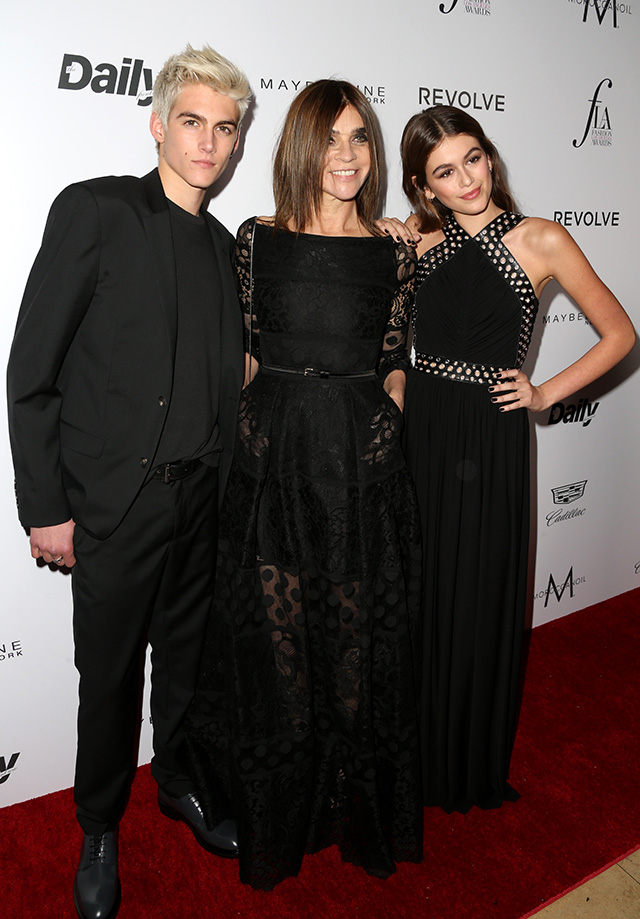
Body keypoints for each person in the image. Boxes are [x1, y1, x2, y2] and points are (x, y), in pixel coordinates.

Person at [6, 45, 251, 919]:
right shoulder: (98, 210)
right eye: (192, 121)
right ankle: (98, 826)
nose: (208, 142)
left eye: (225, 128)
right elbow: (31, 368)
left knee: (183, 668)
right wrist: (46, 507)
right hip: (117, 504)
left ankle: (178, 780)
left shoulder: (226, 250)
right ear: (157, 124)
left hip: (201, 502)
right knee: (107, 679)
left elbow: (223, 375)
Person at [185, 80, 424, 890]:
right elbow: (247, 353)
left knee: (353, 647)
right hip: (273, 467)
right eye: (330, 138)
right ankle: (280, 814)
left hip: (361, 472)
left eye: (360, 137)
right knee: (277, 649)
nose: (348, 155)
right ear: (299, 148)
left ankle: (346, 809)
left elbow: (394, 358)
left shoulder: (394, 249)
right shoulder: (255, 240)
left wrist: (390, 418)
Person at [400, 105, 635, 814]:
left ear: (490, 157)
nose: (466, 178)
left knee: (476, 588)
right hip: (423, 428)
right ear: (424, 186)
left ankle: (465, 756)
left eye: (473, 157)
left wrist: (545, 393)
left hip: (492, 431)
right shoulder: (418, 243)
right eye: (445, 171)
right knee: (419, 589)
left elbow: (619, 332)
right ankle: (409, 746)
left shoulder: (542, 239)